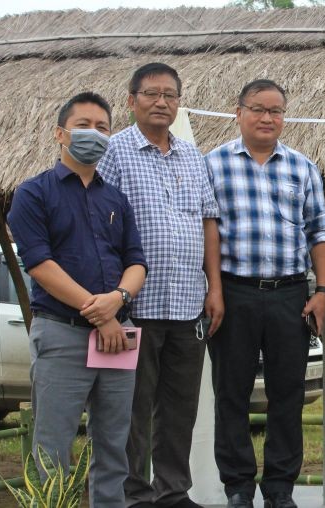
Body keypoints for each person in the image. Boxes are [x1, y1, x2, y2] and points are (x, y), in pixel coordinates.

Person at [8, 92, 147, 507]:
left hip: (117, 338)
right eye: (84, 125)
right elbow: (39, 264)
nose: (94, 134)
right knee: (52, 448)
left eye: (103, 128)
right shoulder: (33, 194)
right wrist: (101, 314)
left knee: (114, 447)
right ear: (60, 133)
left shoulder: (116, 199)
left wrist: (119, 300)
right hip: (62, 333)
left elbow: (136, 262)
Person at [97, 63, 223, 508]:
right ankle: (134, 495)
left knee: (179, 409)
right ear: (131, 101)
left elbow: (208, 223)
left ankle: (173, 492)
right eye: (151, 94)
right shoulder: (114, 152)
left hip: (188, 302)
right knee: (131, 408)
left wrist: (215, 288)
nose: (161, 102)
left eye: (170, 95)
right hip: (134, 305)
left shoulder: (192, 154)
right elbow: (99, 225)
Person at [204, 79, 325, 508]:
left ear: (284, 116)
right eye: (257, 109)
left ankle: (280, 489)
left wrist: (323, 291)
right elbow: (206, 233)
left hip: (290, 294)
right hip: (233, 293)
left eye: (275, 110)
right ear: (238, 112)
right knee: (231, 393)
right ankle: (238, 487)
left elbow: (320, 230)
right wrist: (215, 291)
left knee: (287, 394)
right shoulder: (213, 164)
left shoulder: (302, 167)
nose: (267, 118)